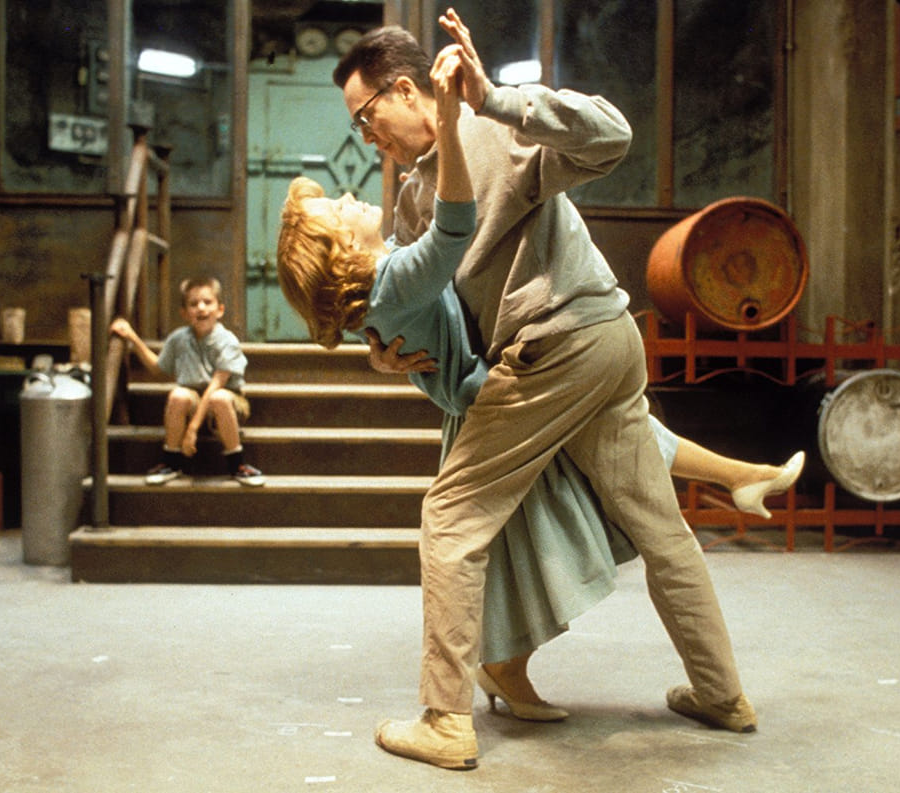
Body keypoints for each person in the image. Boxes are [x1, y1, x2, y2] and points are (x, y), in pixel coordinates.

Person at [328, 9, 771, 769]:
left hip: (557, 346)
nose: (367, 137)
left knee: (451, 514)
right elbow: (405, 302)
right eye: (358, 127)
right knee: (661, 527)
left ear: (404, 90)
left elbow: (613, 137)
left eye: (367, 116)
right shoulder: (410, 202)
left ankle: (445, 719)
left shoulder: (495, 133)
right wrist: (385, 354)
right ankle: (722, 693)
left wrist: (494, 97)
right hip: (602, 343)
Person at [110, 276, 265, 487]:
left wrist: (192, 430)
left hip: (227, 403)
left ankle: (237, 464)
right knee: (178, 395)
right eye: (193, 304)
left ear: (220, 310)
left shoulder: (227, 340)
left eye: (207, 302)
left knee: (218, 398)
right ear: (184, 313)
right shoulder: (178, 339)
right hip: (193, 403)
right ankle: (171, 462)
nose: (201, 308)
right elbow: (158, 368)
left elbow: (216, 385)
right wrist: (132, 337)